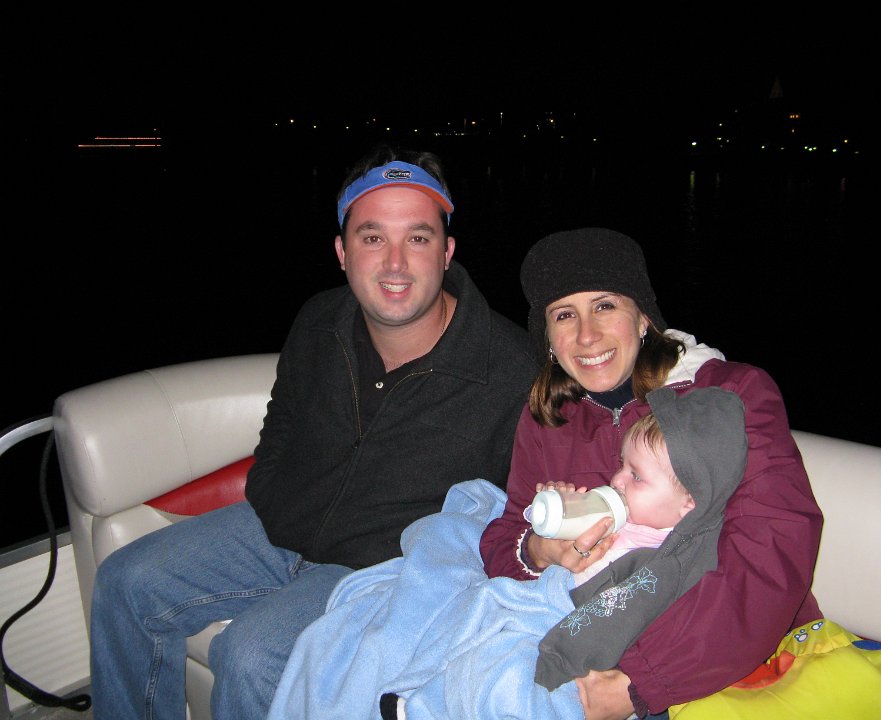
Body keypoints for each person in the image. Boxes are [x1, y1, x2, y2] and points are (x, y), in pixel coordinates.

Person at [87, 144, 539, 719]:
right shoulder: (320, 321)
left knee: (252, 656)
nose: (395, 263)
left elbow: (516, 514)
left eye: (418, 238)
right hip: (281, 529)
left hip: (383, 570)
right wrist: (274, 497)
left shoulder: (512, 370)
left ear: (446, 252)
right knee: (126, 581)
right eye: (372, 237)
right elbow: (280, 423)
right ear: (342, 252)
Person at [479, 226, 825, 719]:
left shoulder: (728, 396)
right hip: (583, 640)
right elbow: (507, 534)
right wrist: (538, 551)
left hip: (718, 659)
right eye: (564, 315)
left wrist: (639, 684)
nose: (586, 335)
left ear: (643, 317)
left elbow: (772, 547)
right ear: (548, 338)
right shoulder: (548, 418)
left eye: (604, 306)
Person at [535, 385, 748, 692]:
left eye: (635, 476)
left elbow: (608, 623)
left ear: (690, 501)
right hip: (546, 605)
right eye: (622, 464)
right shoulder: (628, 517)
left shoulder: (661, 565)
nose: (616, 480)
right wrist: (560, 514)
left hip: (567, 654)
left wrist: (551, 666)